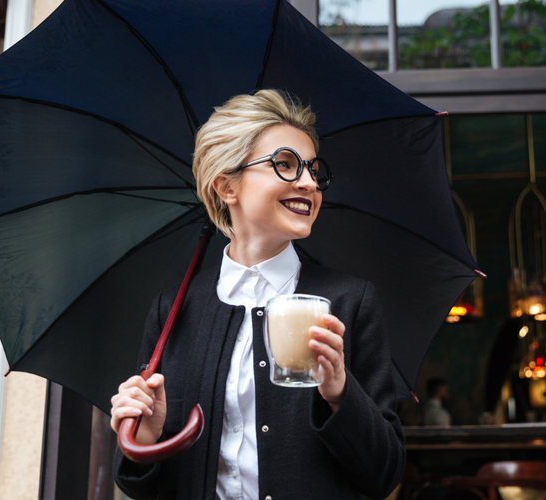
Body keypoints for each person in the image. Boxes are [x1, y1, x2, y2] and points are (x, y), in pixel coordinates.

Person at [110, 90, 405, 500]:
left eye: (312, 170)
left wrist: (340, 392)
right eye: (284, 165)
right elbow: (140, 485)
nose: (308, 182)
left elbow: (385, 473)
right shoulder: (174, 308)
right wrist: (145, 438)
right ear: (227, 187)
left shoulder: (349, 302)